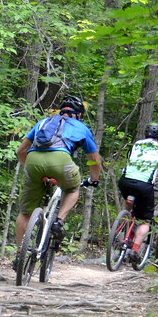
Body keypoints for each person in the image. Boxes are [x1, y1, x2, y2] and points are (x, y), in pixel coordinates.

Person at [15, 94, 102, 254]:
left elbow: (21, 150)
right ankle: (59, 221)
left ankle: (20, 253)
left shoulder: (44, 122)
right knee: (72, 189)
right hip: (60, 160)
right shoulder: (81, 127)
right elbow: (94, 160)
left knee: (25, 213)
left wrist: (30, 167)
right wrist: (94, 179)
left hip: (33, 159)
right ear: (79, 115)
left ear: (61, 111)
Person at [117, 123, 158, 265]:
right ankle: (135, 249)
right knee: (146, 220)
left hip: (124, 182)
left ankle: (122, 228)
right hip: (144, 186)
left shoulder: (136, 145)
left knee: (130, 206)